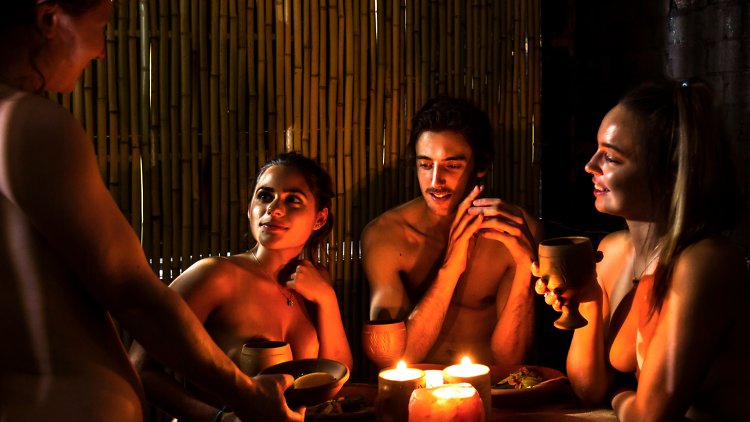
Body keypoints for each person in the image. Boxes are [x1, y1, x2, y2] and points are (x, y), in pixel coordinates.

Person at [0, 1, 302, 421]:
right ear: (50, 19)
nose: (101, 50)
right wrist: (246, 396)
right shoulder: (29, 123)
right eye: (99, 26)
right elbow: (132, 295)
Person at [535, 78, 750, 420]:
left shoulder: (705, 261)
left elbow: (651, 416)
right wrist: (589, 297)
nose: (590, 165)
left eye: (611, 157)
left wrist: (619, 394)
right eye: (597, 150)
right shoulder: (612, 252)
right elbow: (587, 389)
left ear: (669, 173)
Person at [130, 153, 353, 421]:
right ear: (250, 209)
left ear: (319, 218)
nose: (273, 208)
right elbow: (139, 367)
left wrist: (327, 299)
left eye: (293, 199)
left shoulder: (315, 283)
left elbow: (337, 375)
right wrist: (219, 419)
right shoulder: (216, 276)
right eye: (264, 196)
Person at [361, 96, 540, 366]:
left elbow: (510, 359)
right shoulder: (386, 235)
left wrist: (526, 267)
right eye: (425, 165)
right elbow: (393, 361)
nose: (436, 181)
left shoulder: (515, 233)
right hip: (417, 383)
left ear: (481, 166)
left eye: (452, 165)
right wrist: (451, 267)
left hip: (491, 385)